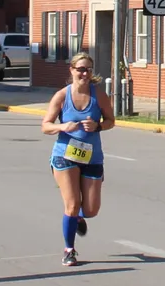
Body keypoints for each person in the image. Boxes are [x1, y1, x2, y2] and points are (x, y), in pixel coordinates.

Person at [40, 51, 115, 267]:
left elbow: (111, 120)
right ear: (72, 70)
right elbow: (45, 125)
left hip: (92, 157)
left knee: (91, 209)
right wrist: (62, 126)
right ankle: (69, 249)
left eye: (88, 69)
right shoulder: (62, 96)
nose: (84, 73)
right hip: (65, 156)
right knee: (71, 205)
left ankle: (79, 218)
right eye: (81, 69)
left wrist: (98, 125)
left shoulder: (98, 95)